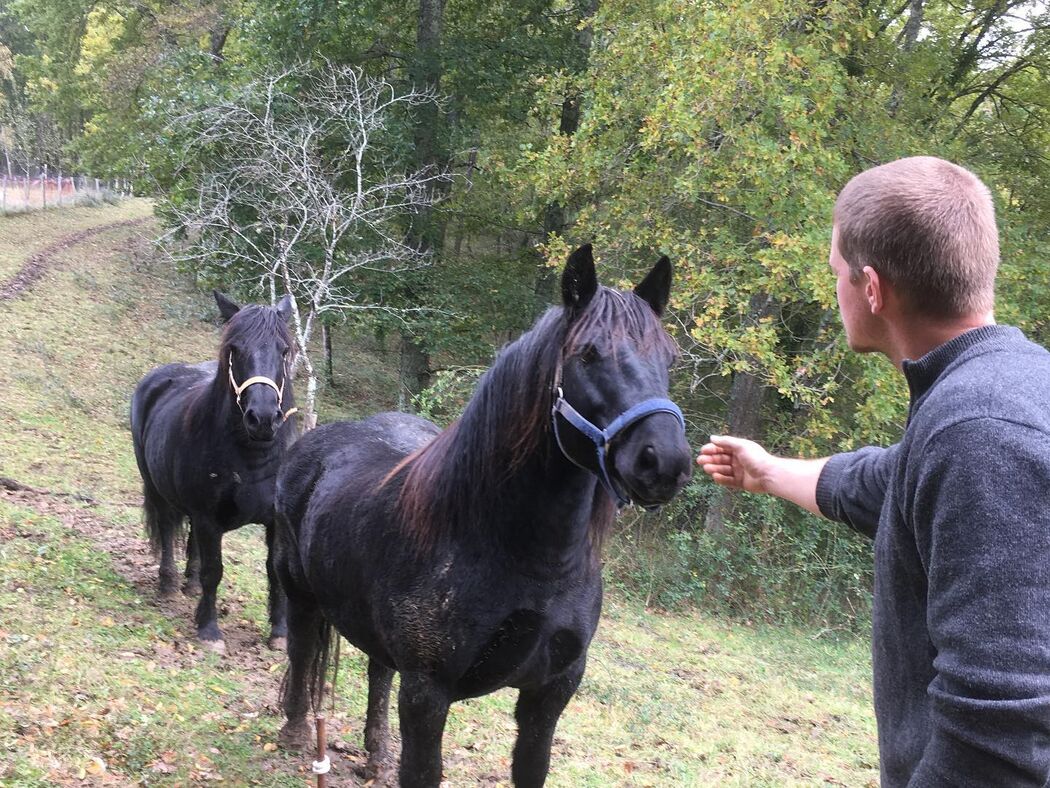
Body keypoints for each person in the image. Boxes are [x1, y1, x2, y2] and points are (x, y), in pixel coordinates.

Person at [698, 156, 1050, 786]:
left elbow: (998, 737)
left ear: (872, 289)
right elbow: (886, 481)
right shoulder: (995, 392)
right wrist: (767, 471)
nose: (833, 287)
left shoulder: (981, 432)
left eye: (836, 271)